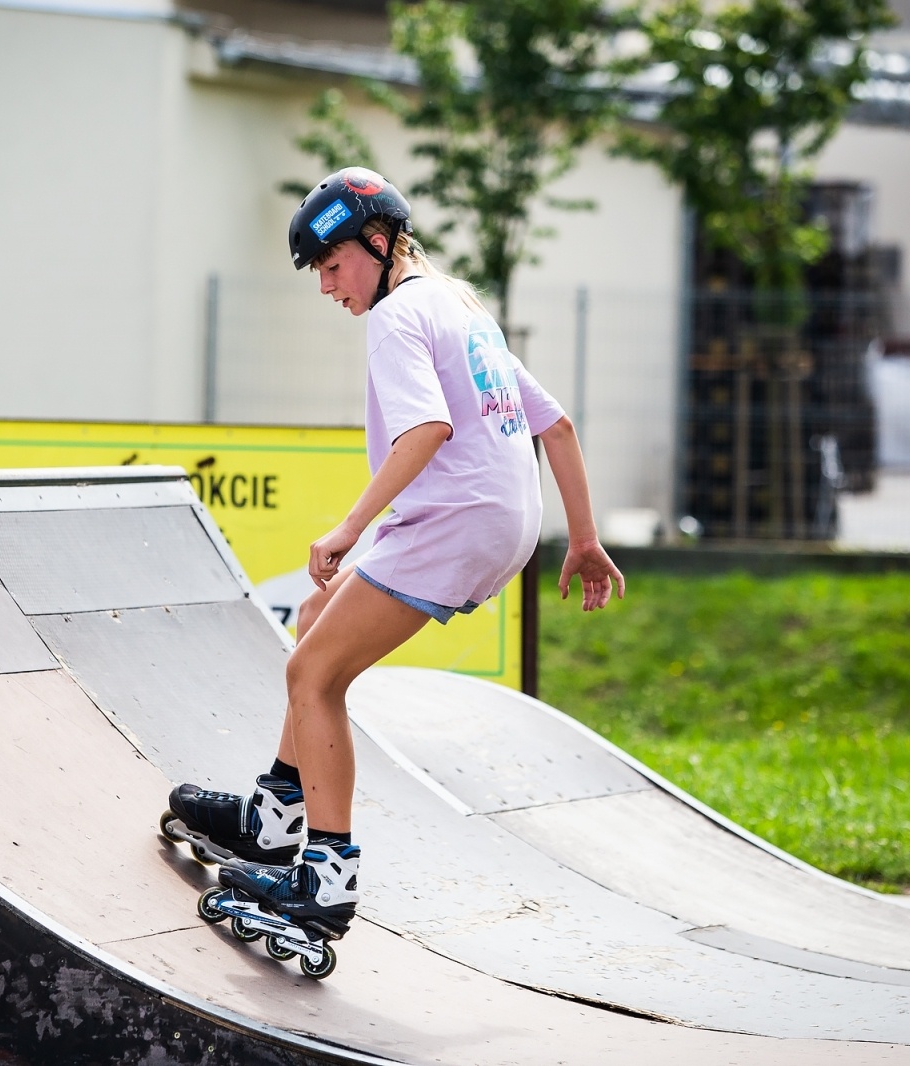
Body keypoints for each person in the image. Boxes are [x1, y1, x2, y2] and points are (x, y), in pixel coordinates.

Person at [167, 166, 624, 942]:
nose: (325, 287)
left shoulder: (398, 317)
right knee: (316, 618)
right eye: (317, 272)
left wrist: (347, 527)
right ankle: (275, 815)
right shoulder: (461, 304)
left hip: (457, 520)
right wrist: (581, 538)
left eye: (333, 265)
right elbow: (559, 428)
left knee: (312, 675)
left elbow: (426, 430)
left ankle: (324, 878)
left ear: (379, 243)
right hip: (500, 519)